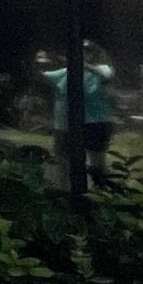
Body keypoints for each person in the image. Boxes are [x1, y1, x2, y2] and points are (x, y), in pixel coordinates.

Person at [41, 41, 117, 182]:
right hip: (69, 123)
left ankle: (102, 192)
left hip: (96, 122)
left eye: (87, 51)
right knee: (64, 161)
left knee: (97, 162)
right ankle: (66, 194)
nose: (82, 54)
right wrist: (37, 60)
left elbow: (105, 76)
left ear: (95, 54)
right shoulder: (65, 72)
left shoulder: (103, 68)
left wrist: (80, 63)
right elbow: (41, 76)